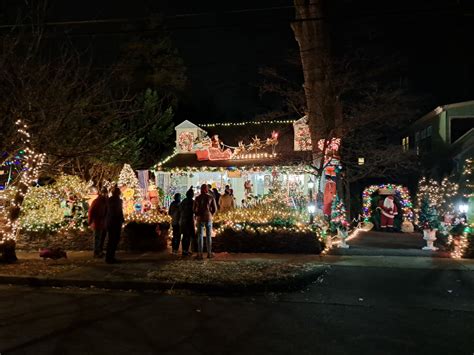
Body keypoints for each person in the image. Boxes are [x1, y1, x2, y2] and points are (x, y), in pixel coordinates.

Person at [193, 184, 217, 259]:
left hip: (200, 218)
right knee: (208, 236)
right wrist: (211, 214)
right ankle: (209, 253)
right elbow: (215, 209)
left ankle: (200, 254)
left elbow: (194, 209)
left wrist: (197, 214)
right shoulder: (211, 197)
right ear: (207, 189)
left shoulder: (197, 198)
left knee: (200, 236)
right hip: (208, 217)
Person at [105, 187, 125, 264]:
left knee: (111, 240)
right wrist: (122, 219)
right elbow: (119, 211)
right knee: (114, 240)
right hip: (115, 222)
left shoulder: (109, 200)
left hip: (110, 222)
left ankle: (109, 257)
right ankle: (110, 257)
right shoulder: (118, 201)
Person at [88, 187, 108, 258]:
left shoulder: (105, 201)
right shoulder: (97, 201)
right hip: (98, 223)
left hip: (104, 223)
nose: (105, 194)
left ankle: (100, 251)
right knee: (97, 238)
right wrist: (90, 221)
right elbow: (91, 212)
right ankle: (96, 252)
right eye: (104, 193)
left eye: (105, 193)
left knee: (101, 238)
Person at [179, 188, 195, 256]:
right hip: (189, 220)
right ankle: (186, 251)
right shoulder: (192, 201)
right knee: (188, 236)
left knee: (185, 236)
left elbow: (180, 209)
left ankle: (184, 250)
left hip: (183, 220)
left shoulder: (183, 201)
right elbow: (194, 210)